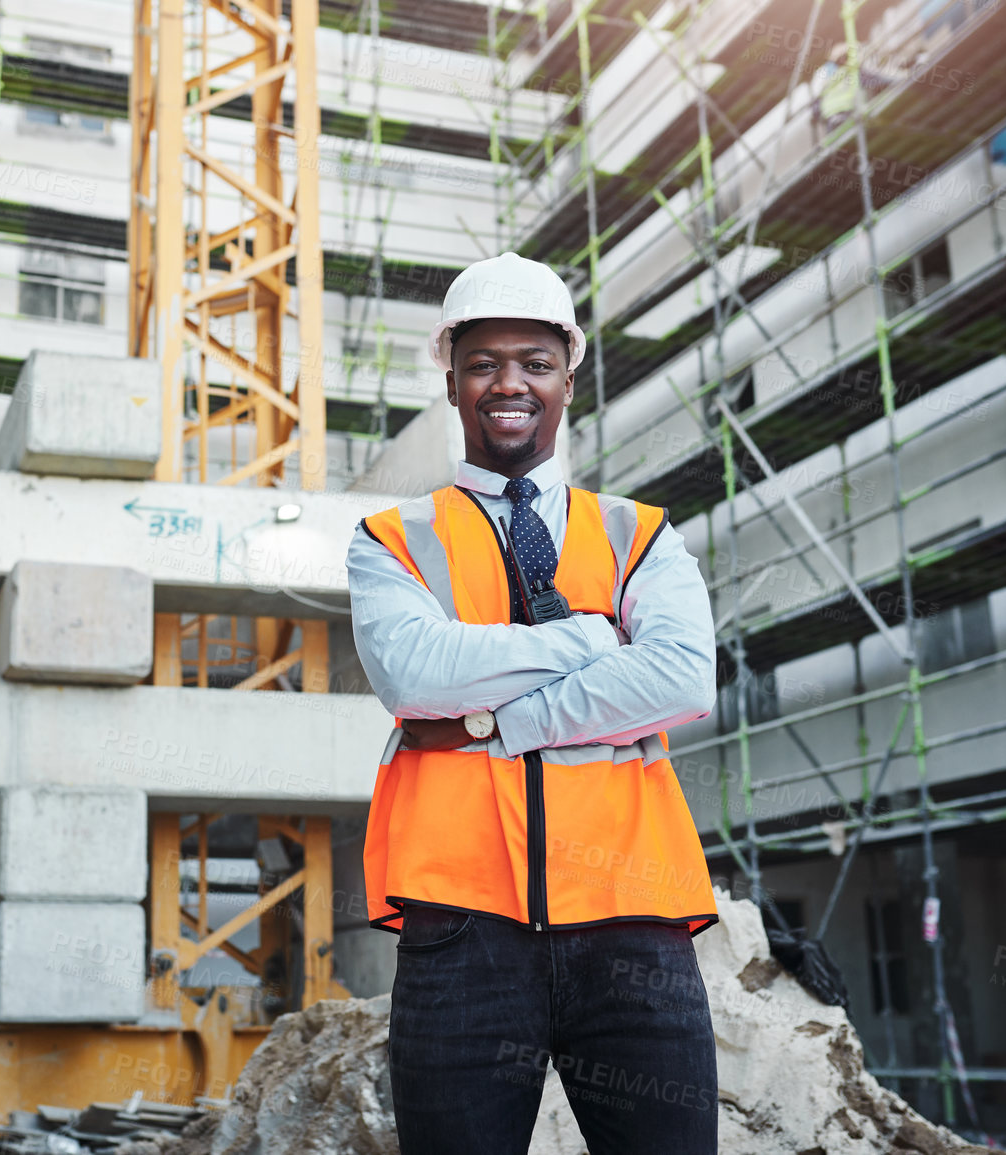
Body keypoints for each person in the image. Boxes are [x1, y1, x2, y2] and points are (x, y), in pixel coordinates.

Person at [346, 252, 721, 1155]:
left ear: (566, 378)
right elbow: (416, 674)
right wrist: (591, 639)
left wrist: (497, 721)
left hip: (633, 925)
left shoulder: (641, 533)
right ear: (451, 378)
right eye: (482, 363)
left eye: (534, 363)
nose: (508, 383)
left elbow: (679, 678)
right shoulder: (390, 537)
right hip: (460, 932)